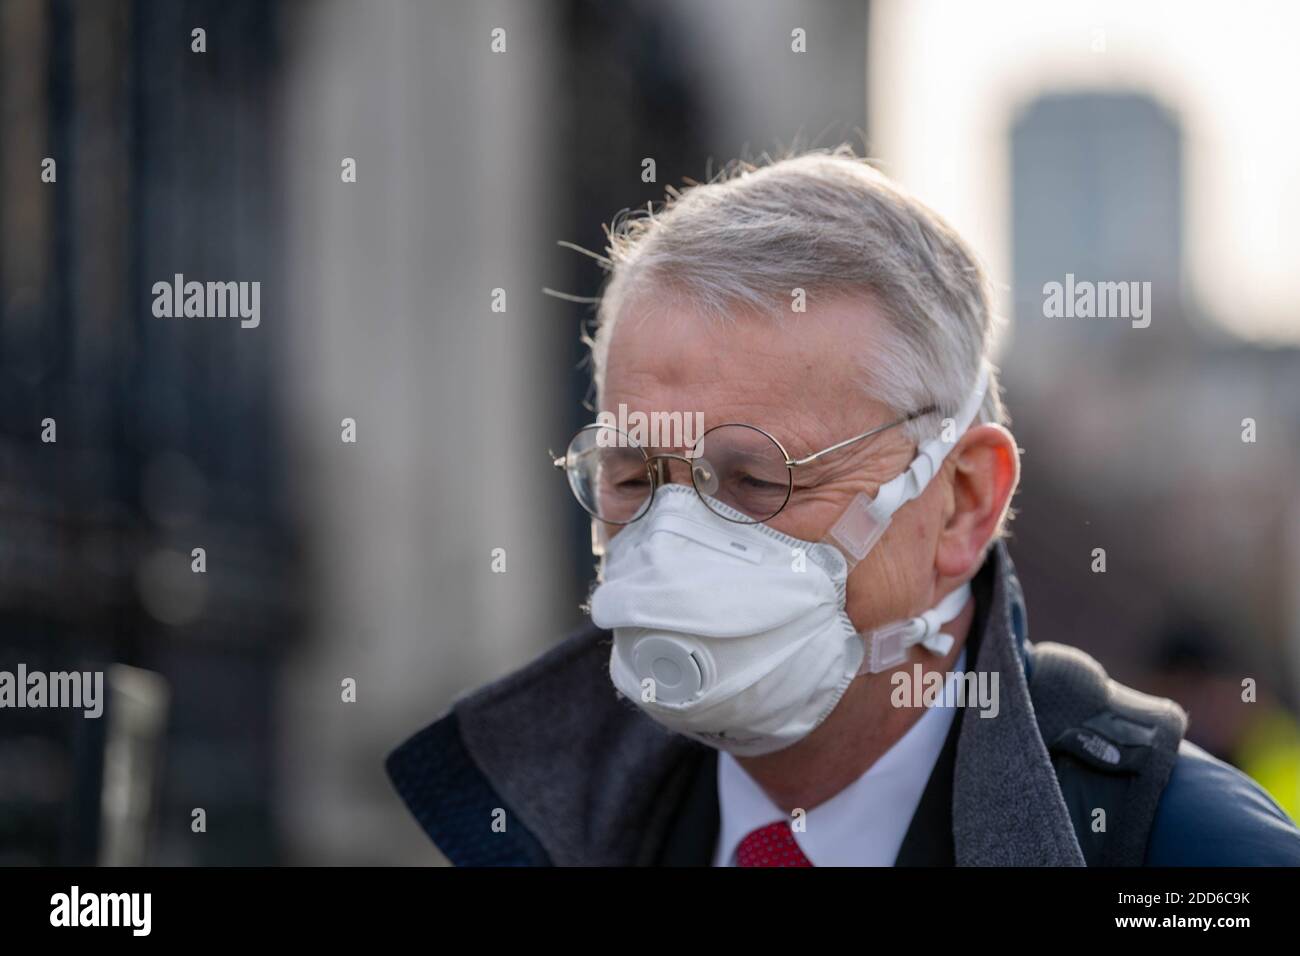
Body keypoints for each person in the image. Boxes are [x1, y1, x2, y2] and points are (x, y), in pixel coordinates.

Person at [387, 147, 1300, 866]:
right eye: (631, 479)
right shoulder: (534, 819)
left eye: (754, 481)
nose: (670, 545)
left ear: (961, 504)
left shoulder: (1185, 857)